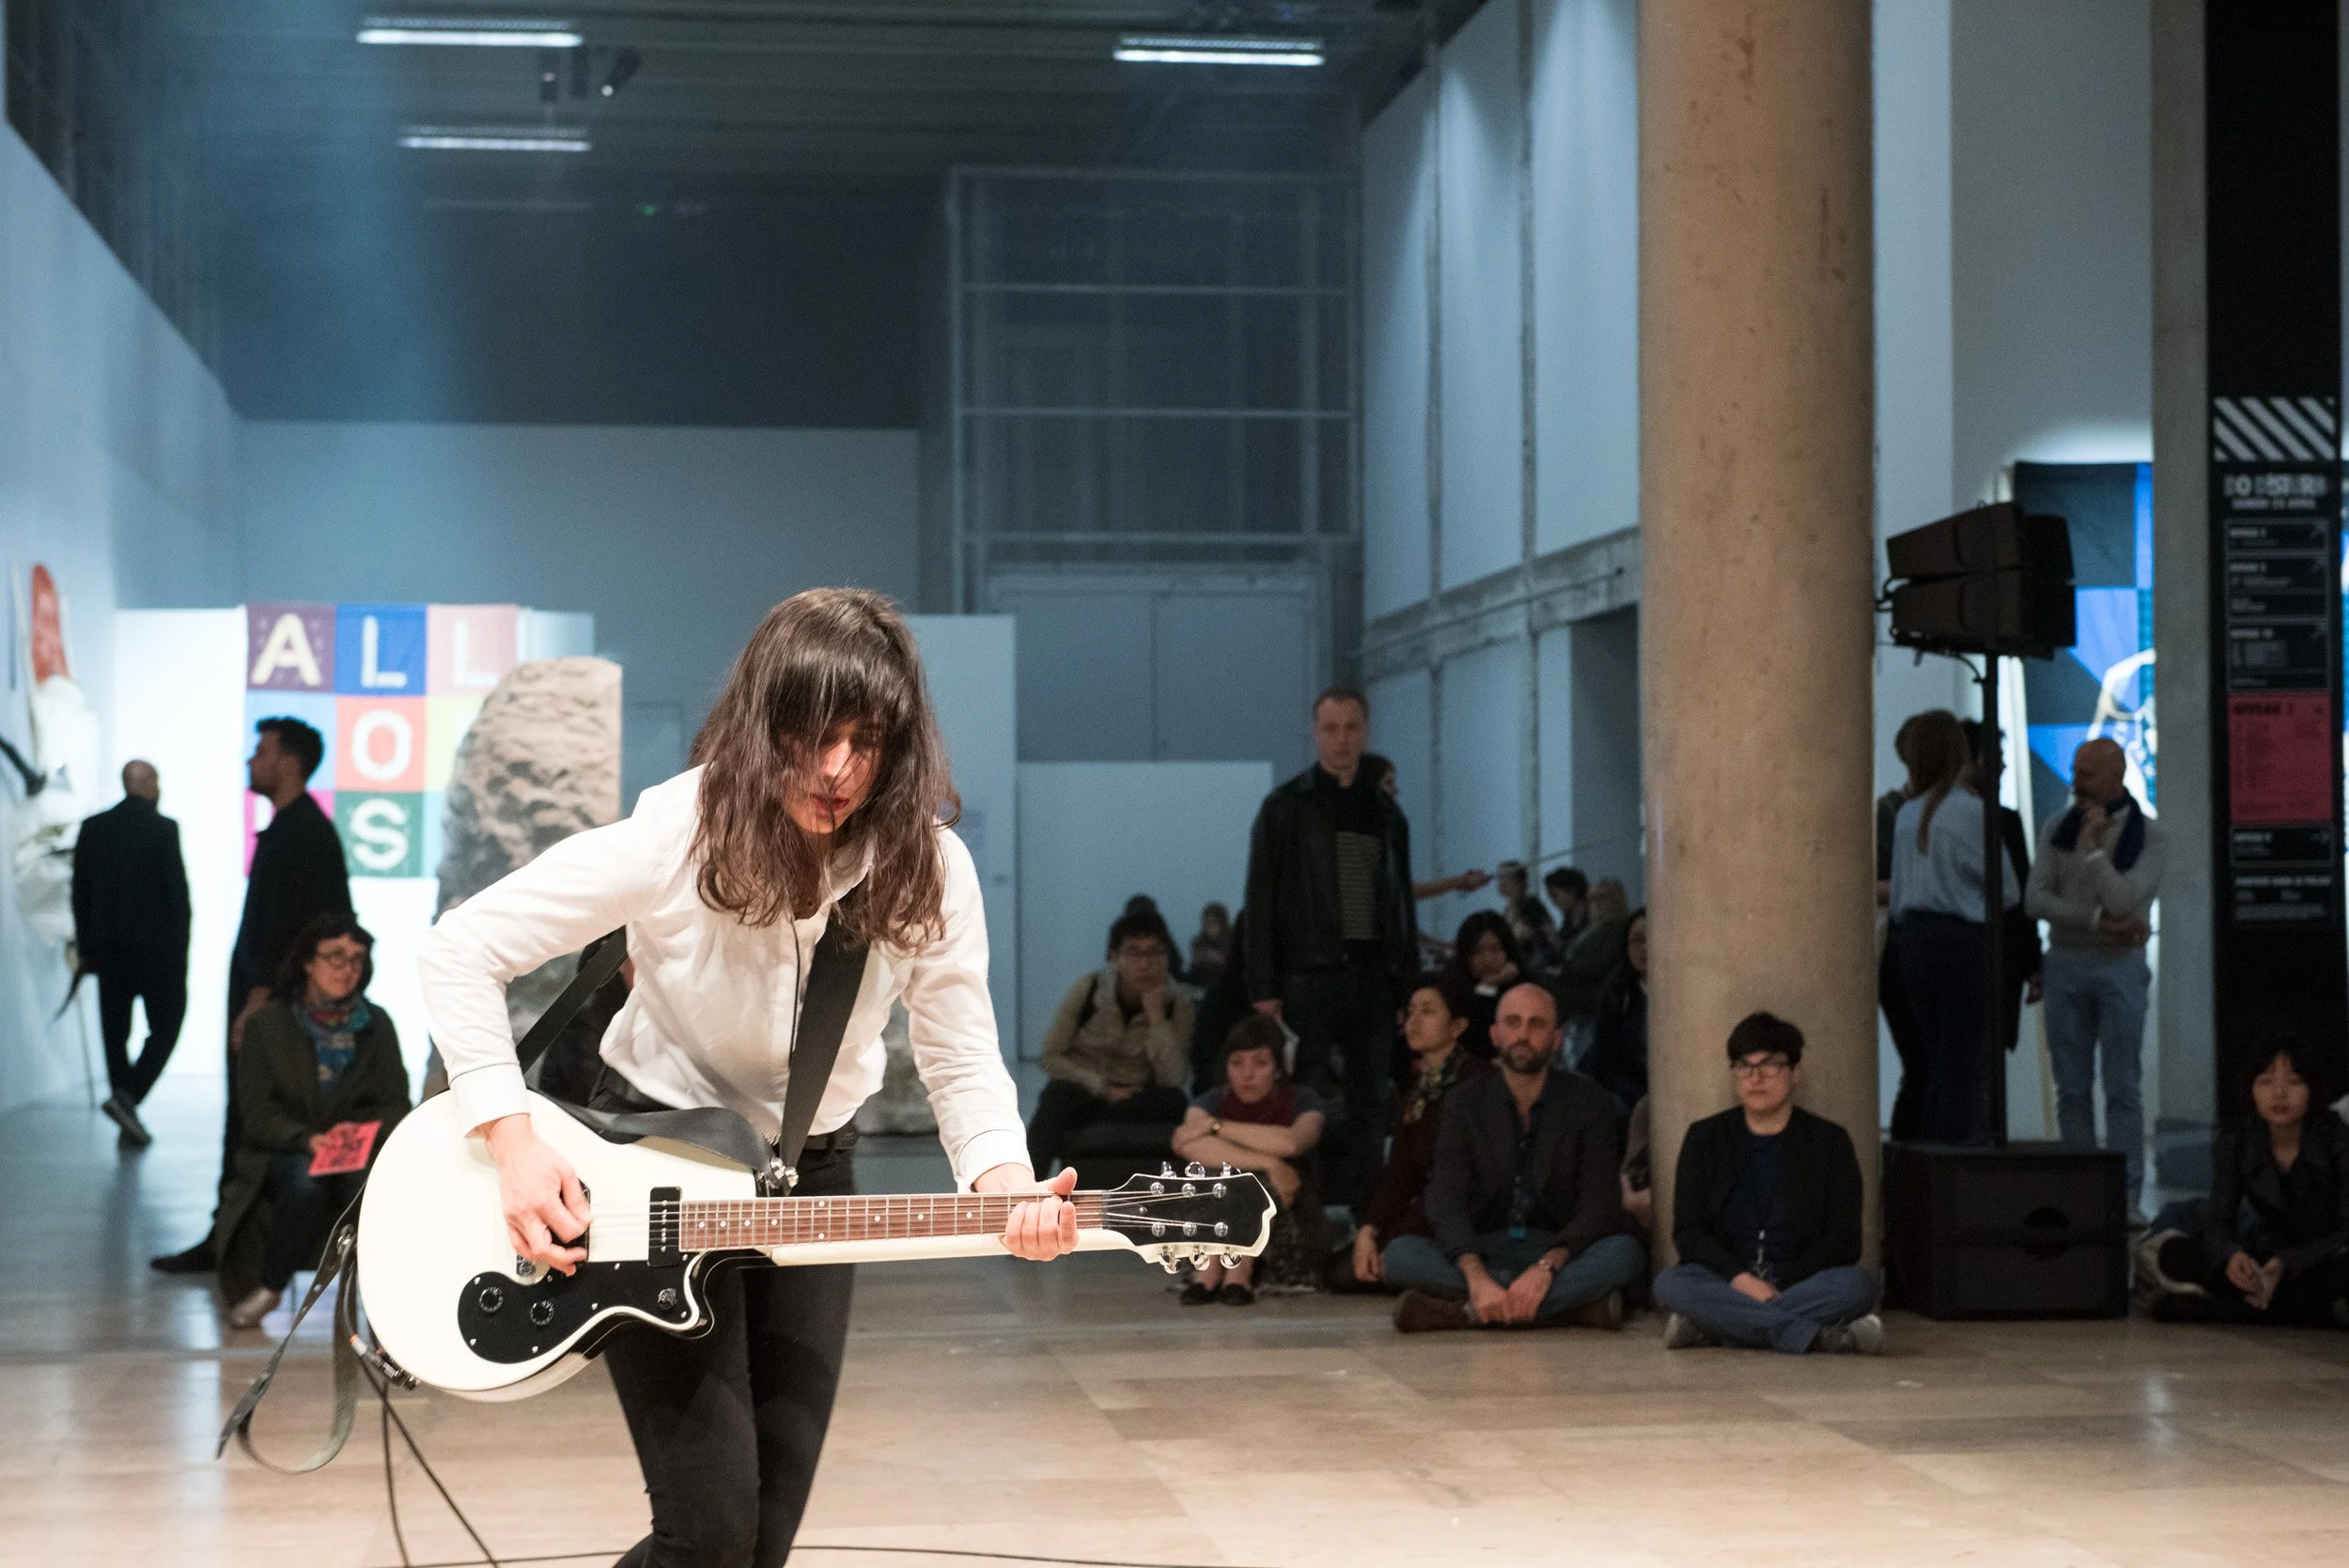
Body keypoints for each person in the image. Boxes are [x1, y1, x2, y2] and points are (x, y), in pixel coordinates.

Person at [416, 588, 1077, 1568]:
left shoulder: (924, 868)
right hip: (652, 1176)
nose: (837, 770)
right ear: (762, 722)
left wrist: (1007, 1187)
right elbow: (459, 951)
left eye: (867, 741)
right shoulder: (674, 832)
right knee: (710, 1533)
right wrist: (511, 1141)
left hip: (809, 1177)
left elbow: (959, 1051)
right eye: (812, 736)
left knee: (760, 1541)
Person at [154, 716, 352, 1275]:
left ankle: (239, 1243)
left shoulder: (303, 833)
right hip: (268, 1004)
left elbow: (306, 927)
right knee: (244, 1122)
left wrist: (261, 996)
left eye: (261, 750)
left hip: (274, 1010)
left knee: (253, 1124)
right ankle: (230, 1238)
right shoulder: (293, 829)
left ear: (288, 761)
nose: (251, 760)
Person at [1380, 982, 1644, 1331]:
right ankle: (1568, 1309)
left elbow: (1601, 1203)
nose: (1523, 1034)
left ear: (1557, 1038)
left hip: (1558, 1248)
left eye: (1537, 1024)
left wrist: (1547, 1267)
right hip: (1483, 1246)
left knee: (1624, 1254)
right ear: (1494, 1034)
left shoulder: (1588, 1101)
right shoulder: (1464, 1102)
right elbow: (1445, 1197)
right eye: (1513, 1022)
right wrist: (1475, 1275)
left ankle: (1466, 1312)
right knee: (1400, 1257)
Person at [1242, 687, 1418, 1205]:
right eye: (1331, 728)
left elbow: (1400, 902)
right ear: (1314, 733)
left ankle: (1367, 1224)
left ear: (1365, 731)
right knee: (1303, 1104)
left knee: (1370, 1105)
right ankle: (1301, 1225)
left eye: (1351, 728)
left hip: (1373, 976)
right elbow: (1261, 898)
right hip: (1307, 975)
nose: (1342, 739)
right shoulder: (1285, 808)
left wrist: (1406, 984)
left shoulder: (1386, 814)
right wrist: (1264, 986)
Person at [216, 915, 410, 1329]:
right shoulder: (269, 1025)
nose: (347, 969)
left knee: (364, 1185)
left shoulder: (376, 1024)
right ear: (307, 961)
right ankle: (270, 1288)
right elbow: (257, 1115)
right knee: (306, 1182)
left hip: (357, 1147)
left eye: (357, 959)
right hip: (285, 1149)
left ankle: (383, 1301)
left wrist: (355, 1133)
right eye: (335, 957)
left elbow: (396, 1103)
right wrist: (308, 1139)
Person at [1654, 1012, 1881, 1354]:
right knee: (1671, 1283)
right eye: (1744, 1066)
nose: (1756, 1077)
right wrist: (1742, 1281)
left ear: (1795, 1073)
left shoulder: (1829, 1142)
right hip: (1728, 1280)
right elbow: (1689, 1233)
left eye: (1770, 1065)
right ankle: (1818, 1338)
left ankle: (1713, 1326)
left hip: (1801, 1284)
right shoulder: (1705, 1138)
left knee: (1857, 1286)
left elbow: (1844, 1242)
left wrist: (1779, 1287)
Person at [2028, 736, 2162, 1206]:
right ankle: (2080, 1194)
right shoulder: (2054, 828)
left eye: (2087, 774)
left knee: (2123, 1086)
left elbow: (2126, 899)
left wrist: (2093, 854)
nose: (2075, 783)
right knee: (2072, 1089)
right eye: (2075, 771)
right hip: (2065, 963)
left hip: (2120, 968)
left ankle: (2125, 1197)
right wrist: (2097, 922)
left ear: (2117, 774)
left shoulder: (2150, 833)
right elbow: (2034, 899)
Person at [2152, 1040, 2349, 1327]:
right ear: (2251, 1089)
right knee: (2175, 1254)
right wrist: (2232, 1257)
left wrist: (2287, 1262)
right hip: (2265, 1251)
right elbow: (2220, 1218)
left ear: (2312, 1090)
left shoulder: (2337, 1139)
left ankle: (2222, 1311)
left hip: (2318, 1257)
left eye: (2294, 1082)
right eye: (2266, 1082)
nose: (2279, 1094)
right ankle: (2303, 1311)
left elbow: (2346, 1228)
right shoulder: (2236, 1138)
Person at [1889, 709, 2011, 1145]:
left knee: (1933, 1061)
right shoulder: (1970, 811)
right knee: (1964, 1062)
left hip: (1914, 941)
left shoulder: (1906, 813)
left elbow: (1900, 891)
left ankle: (1930, 1164)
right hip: (1962, 943)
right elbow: (2007, 890)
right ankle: (1961, 1162)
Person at [70, 759, 191, 1149]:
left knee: (114, 1034)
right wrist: (182, 952)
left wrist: (87, 948)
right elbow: (178, 898)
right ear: (150, 784)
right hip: (158, 954)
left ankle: (125, 1103)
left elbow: (80, 894)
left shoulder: (94, 828)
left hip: (108, 953)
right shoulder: (163, 829)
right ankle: (129, 1100)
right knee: (167, 1025)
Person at [1025, 907, 1193, 1177]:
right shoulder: (1088, 990)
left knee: (1177, 1103)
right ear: (1114, 958)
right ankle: (1026, 1193)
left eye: (1154, 952)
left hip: (1136, 1097)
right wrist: (1101, 1087)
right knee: (1056, 1100)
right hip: (1086, 1089)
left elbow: (1173, 1078)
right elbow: (1050, 1056)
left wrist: (1157, 1018)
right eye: (1134, 953)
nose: (1145, 963)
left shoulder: (1178, 1004)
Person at [1171, 1015, 1329, 1302]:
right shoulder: (1212, 1101)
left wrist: (1216, 1127)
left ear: (1279, 1069)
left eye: (1260, 1063)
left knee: (1246, 1180)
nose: (1247, 1074)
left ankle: (1235, 1273)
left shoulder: (1304, 1101)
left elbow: (1291, 1142)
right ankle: (1213, 1273)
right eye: (1237, 1063)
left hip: (1285, 1228)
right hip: (1213, 1228)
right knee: (1216, 1175)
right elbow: (1187, 1144)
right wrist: (1271, 1162)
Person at [1352, 970, 1488, 1286]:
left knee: (1391, 1259)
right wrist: (1369, 1228)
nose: (1413, 1021)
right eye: (1411, 1012)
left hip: (1464, 1214)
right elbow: (1400, 1171)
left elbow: (1466, 1178)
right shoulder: (1419, 1089)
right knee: (1351, 1267)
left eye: (1428, 1011)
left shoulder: (1477, 1082)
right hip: (1424, 1210)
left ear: (1458, 1025)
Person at [1961, 720, 2043, 1056]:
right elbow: (2018, 896)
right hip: (1995, 956)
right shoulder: (2002, 821)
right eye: (1999, 756)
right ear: (1980, 759)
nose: (2005, 765)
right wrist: (2033, 962)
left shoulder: (1923, 815)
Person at [1877, 715, 1929, 1141]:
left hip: (1929, 946)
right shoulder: (1890, 812)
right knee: (1921, 1061)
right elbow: (1869, 881)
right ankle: (1905, 1157)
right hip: (1900, 946)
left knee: (1935, 1064)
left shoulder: (1954, 809)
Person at [1363, 753, 1489, 903]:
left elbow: (1401, 889)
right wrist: (1458, 882)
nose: (1395, 791)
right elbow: (1401, 890)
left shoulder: (1385, 832)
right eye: (1388, 782)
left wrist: (1459, 882)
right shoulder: (1368, 838)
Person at [1580, 908, 1648, 1119]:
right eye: (1637, 940)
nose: (1644, 948)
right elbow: (1605, 1064)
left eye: (1650, 939)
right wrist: (1641, 1096)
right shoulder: (1616, 992)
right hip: (1627, 1089)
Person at [1548, 877, 1630, 1027]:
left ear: (1616, 899)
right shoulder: (1593, 928)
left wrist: (1566, 969)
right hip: (1577, 982)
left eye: (1602, 898)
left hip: (1594, 990)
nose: (1596, 904)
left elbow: (1602, 961)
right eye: (1592, 899)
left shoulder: (1619, 928)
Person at [1447, 909, 1523, 1061]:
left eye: (1495, 950)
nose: (1487, 959)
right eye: (1477, 952)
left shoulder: (1523, 987)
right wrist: (1489, 984)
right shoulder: (1453, 988)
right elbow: (1472, 1037)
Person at [1494, 861, 1559, 970]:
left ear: (1518, 881)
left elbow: (1539, 934)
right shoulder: (1507, 910)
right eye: (1500, 877)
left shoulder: (1531, 905)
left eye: (1505, 877)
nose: (1501, 882)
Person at [1188, 901, 1232, 996]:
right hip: (1201, 988)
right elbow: (1193, 972)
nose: (1209, 927)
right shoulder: (1198, 943)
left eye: (1213, 923)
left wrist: (1221, 960)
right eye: (1206, 923)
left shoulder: (1233, 941)